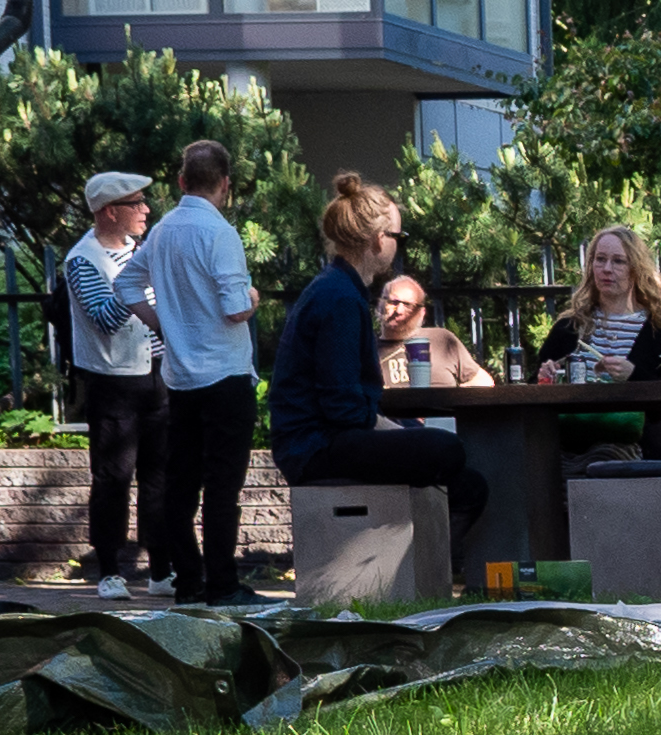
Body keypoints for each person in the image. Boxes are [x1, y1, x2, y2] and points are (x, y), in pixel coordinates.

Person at [267, 173, 489, 551]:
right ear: (377, 240)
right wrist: (403, 437)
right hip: (315, 447)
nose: (399, 248)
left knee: (469, 484)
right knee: (445, 449)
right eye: (399, 238)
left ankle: (426, 569)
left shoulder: (337, 288)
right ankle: (413, 564)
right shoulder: (338, 297)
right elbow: (344, 408)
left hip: (316, 442)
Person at [138, 138, 263, 607]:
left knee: (180, 483)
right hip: (226, 375)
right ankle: (223, 584)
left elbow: (126, 284)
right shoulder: (220, 234)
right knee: (223, 486)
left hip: (181, 377)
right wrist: (253, 299)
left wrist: (164, 324)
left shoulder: (162, 232)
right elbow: (234, 309)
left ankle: (187, 581)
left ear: (181, 180)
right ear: (226, 185)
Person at [59, 169, 163, 597]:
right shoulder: (82, 260)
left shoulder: (141, 251)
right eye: (136, 203)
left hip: (158, 376)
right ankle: (109, 570)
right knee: (113, 476)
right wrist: (133, 278)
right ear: (109, 212)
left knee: (160, 475)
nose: (146, 210)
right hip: (113, 381)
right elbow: (104, 319)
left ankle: (161, 567)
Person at [537, 225, 661, 458]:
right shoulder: (568, 329)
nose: (607, 269)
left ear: (635, 269)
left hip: (640, 454)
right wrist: (545, 377)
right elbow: (532, 391)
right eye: (600, 259)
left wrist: (633, 376)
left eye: (618, 261)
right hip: (567, 454)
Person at [373, 277, 493, 389]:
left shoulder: (441, 340)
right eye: (393, 302)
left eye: (408, 305)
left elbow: (484, 381)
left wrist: (454, 396)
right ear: (381, 304)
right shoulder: (366, 349)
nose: (399, 310)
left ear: (422, 312)